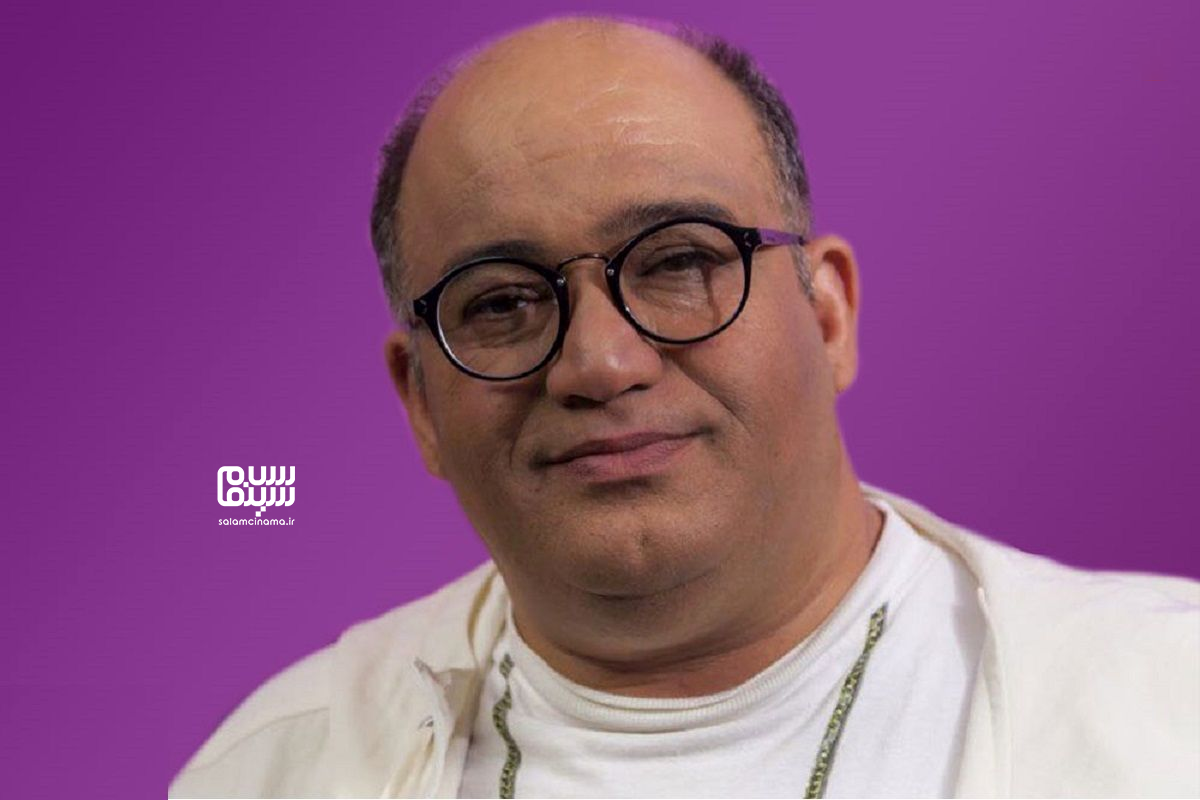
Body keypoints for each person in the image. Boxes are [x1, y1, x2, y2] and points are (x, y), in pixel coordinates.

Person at [170, 16, 1199, 799]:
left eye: (678, 262)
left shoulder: (1169, 703)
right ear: (421, 401)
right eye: (503, 302)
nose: (600, 361)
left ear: (828, 314)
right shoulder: (271, 770)